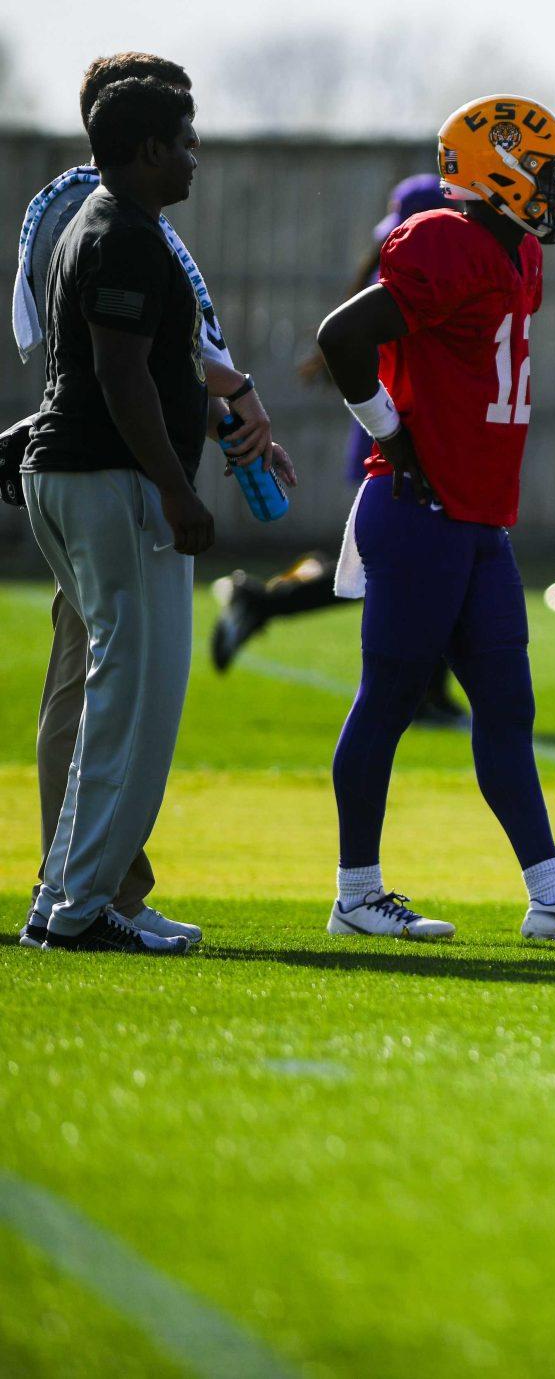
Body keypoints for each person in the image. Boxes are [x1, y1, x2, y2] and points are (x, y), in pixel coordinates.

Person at [312, 96, 555, 943]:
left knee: (508, 705)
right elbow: (340, 335)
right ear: (499, 167)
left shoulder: (518, 255)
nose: (551, 189)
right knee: (388, 698)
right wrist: (393, 434)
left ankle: (549, 894)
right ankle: (355, 895)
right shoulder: (442, 239)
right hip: (418, 507)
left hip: (476, 515)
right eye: (542, 170)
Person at [14, 55, 293, 952]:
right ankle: (86, 906)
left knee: (114, 698)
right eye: (182, 142)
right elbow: (120, 373)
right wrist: (177, 489)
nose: (196, 156)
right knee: (132, 704)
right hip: (113, 484)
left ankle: (68, 894)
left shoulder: (113, 222)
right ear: (142, 151)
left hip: (85, 480)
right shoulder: (124, 234)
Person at [209, 173, 467, 725]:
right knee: (413, 561)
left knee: (410, 561)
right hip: (401, 435)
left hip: (389, 429)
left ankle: (424, 689)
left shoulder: (390, 267)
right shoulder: (419, 271)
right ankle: (416, 690)